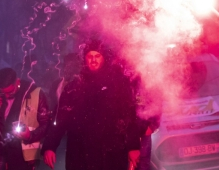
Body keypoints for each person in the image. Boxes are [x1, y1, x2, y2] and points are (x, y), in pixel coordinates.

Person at [41, 39, 143, 170]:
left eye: (97, 56)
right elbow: (60, 117)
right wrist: (50, 146)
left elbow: (129, 116)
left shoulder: (118, 84)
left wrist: (133, 147)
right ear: (85, 59)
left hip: (111, 152)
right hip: (80, 152)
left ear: (104, 58)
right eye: (89, 56)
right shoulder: (74, 87)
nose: (93, 60)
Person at [0, 68, 50, 170]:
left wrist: (30, 135)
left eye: (10, 92)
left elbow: (46, 124)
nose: (6, 96)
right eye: (3, 92)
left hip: (24, 153)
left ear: (17, 81)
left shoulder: (36, 94)